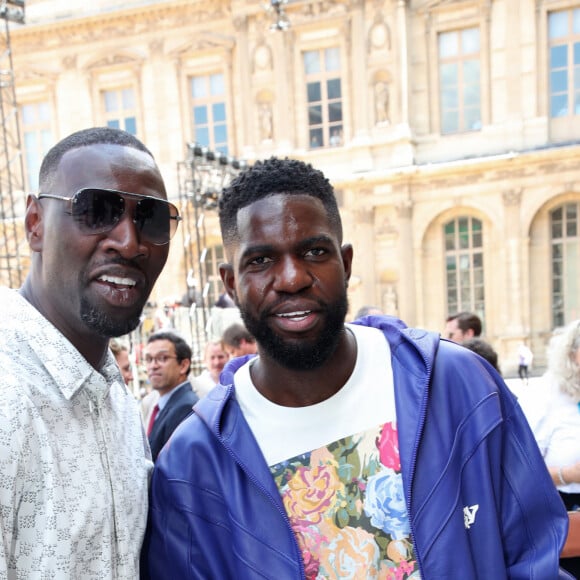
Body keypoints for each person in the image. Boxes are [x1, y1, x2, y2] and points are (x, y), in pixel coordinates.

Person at [142, 157, 568, 578]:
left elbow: (535, 559)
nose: (291, 278)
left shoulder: (458, 385)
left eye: (313, 251)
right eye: (261, 261)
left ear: (345, 263)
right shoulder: (192, 462)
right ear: (231, 283)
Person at [0, 126, 180, 578]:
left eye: (151, 219)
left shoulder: (112, 393)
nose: (129, 242)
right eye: (97, 209)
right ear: (35, 224)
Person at [518, 320, 580, 577]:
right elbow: (520, 469)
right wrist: (569, 474)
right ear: (574, 354)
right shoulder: (546, 396)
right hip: (564, 517)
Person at [144, 330, 198, 462]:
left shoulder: (185, 407)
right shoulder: (162, 404)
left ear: (183, 365)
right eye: (149, 359)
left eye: (162, 358)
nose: (153, 366)